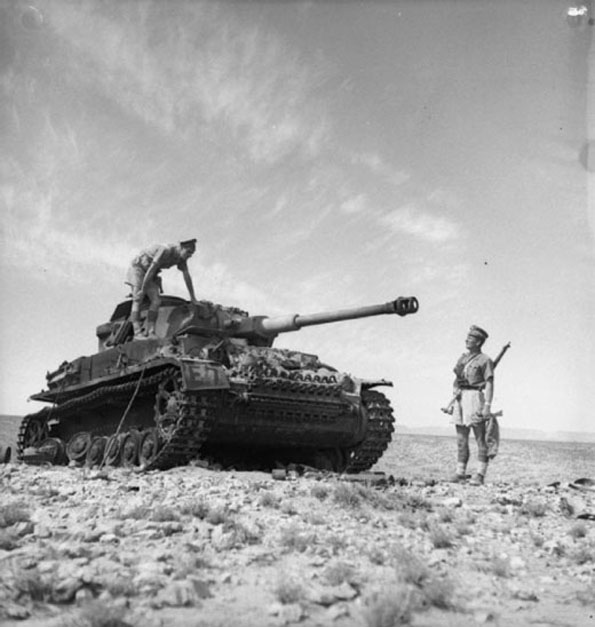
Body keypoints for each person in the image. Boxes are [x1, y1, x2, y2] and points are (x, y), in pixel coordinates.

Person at [449, 325, 494, 486]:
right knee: (461, 439)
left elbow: (489, 383)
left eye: (471, 338)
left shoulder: (485, 360)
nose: (467, 340)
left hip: (475, 397)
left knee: (481, 438)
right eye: (467, 337)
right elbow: (457, 378)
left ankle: (480, 475)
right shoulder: (462, 358)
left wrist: (487, 405)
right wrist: (454, 396)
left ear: (479, 342)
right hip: (460, 397)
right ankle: (460, 473)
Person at [125, 239, 198, 338]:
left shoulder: (181, 259)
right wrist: (143, 289)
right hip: (138, 269)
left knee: (156, 301)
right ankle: (137, 332)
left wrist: (193, 297)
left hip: (150, 274)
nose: (189, 256)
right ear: (181, 248)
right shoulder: (165, 250)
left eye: (192, 254)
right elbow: (151, 269)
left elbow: (187, 276)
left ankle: (151, 332)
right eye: (188, 252)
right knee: (138, 299)